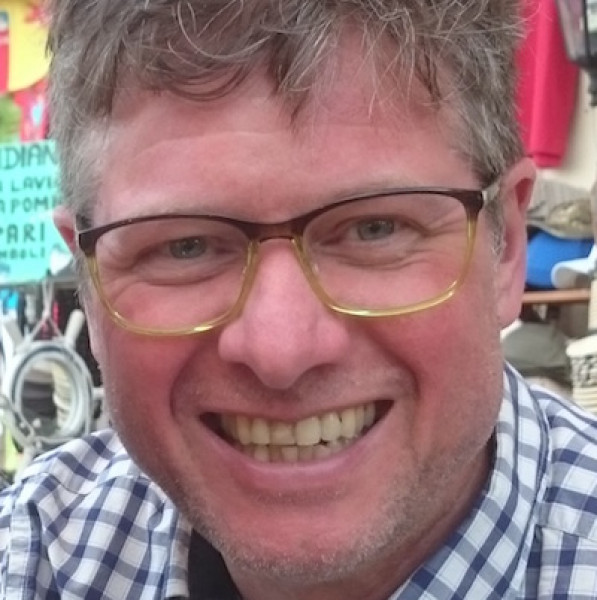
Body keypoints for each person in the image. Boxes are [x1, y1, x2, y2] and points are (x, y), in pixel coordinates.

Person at [1, 1, 596, 598]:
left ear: (506, 248)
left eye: (375, 230)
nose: (281, 351)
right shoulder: (35, 559)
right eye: (185, 247)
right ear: (88, 283)